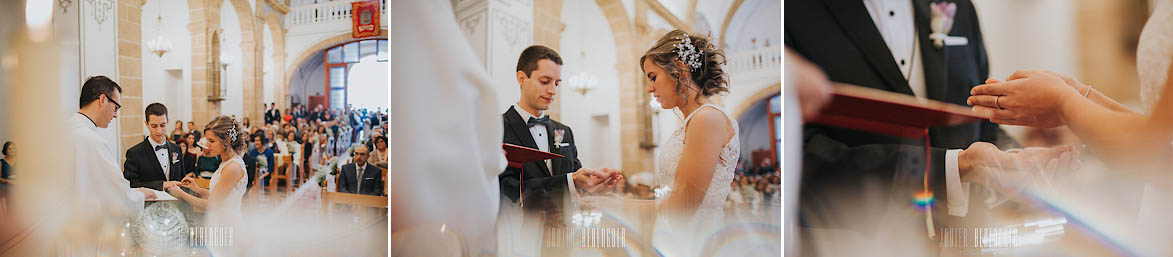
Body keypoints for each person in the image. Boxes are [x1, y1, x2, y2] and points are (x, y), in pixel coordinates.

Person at [785, 1, 1078, 253]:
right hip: (855, 243)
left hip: (968, 243)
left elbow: (979, 123)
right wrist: (953, 167)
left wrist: (1017, 164)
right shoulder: (791, 12)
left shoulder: (957, 7)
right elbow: (799, 157)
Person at [498, 45, 622, 212]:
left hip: (565, 232)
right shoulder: (496, 128)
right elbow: (504, 189)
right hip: (518, 232)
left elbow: (575, 181)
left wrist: (592, 185)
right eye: (545, 81)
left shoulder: (565, 132)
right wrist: (570, 181)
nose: (553, 91)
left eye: (557, 83)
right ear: (521, 78)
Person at [68, 76, 156, 227]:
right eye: (116, 107)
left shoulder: (66, 128)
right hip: (83, 227)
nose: (115, 115)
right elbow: (119, 197)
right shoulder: (92, 140)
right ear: (103, 99)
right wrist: (140, 195)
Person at [167, 116, 249, 257]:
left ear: (227, 141)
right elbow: (220, 196)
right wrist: (197, 189)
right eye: (207, 140)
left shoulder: (233, 167)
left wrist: (182, 194)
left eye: (212, 141)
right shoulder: (226, 163)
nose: (207, 145)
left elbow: (212, 204)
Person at [124, 103, 190, 191]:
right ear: (146, 124)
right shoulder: (134, 153)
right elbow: (131, 185)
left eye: (162, 125)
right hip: (149, 203)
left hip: (176, 203)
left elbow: (182, 179)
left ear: (168, 122)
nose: (159, 131)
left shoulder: (177, 149)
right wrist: (163, 185)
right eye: (154, 126)